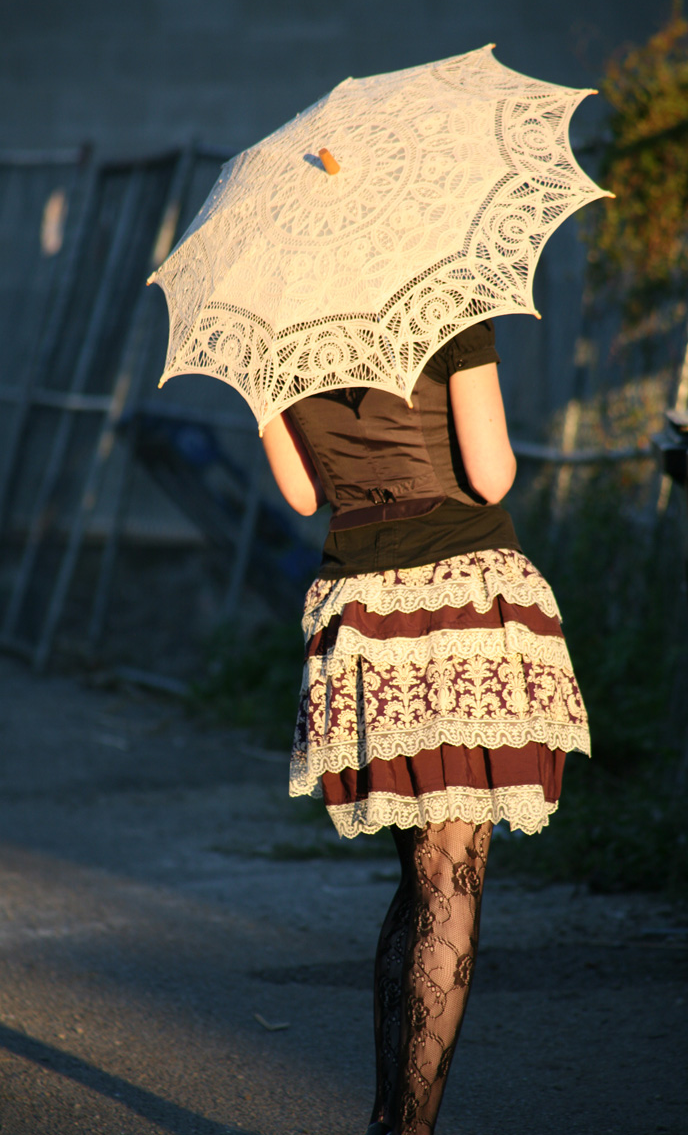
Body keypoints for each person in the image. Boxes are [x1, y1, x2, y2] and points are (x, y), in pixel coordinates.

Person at [261, 319, 590, 1135]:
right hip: (460, 603)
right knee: (452, 882)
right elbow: (492, 473)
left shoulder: (271, 331)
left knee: (421, 879)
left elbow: (304, 496)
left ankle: (389, 1117)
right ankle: (408, 1130)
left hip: (364, 617)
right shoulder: (445, 311)